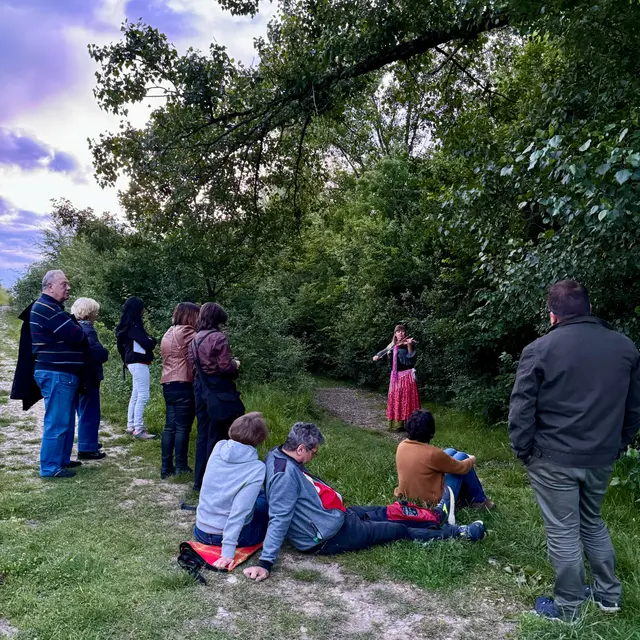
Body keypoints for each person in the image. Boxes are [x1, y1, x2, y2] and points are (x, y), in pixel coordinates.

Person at [509, 280, 640, 622]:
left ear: (552, 315)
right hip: (601, 456)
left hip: (553, 457)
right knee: (592, 522)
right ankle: (608, 596)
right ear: (589, 308)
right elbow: (634, 409)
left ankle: (568, 608)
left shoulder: (539, 349)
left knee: (563, 530)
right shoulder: (625, 347)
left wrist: (523, 451)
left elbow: (521, 409)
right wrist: (618, 445)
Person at [243, 422, 486, 583]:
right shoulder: (285, 476)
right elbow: (280, 516)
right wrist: (266, 562)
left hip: (335, 516)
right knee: (397, 530)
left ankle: (434, 518)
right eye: (312, 453)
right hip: (327, 536)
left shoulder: (277, 454)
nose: (312, 457)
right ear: (299, 448)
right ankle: (458, 533)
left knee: (386, 511)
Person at [29, 270, 87, 478]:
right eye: (64, 284)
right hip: (56, 373)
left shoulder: (52, 308)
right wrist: (76, 328)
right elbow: (77, 335)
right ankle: (50, 468)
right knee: (57, 421)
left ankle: (61, 460)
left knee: (65, 420)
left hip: (61, 373)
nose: (68, 288)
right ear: (50, 287)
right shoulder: (47, 308)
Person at [195, 412, 270, 570]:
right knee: (265, 503)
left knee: (258, 496)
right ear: (260, 439)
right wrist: (227, 552)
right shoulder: (257, 468)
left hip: (201, 529)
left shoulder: (219, 446)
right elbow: (239, 512)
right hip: (226, 536)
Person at [395, 409, 494, 522]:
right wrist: (471, 459)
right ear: (431, 432)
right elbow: (462, 468)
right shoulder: (432, 453)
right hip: (432, 501)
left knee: (450, 451)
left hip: (409, 495)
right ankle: (479, 500)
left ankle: (478, 499)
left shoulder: (402, 446)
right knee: (462, 457)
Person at [189, 302, 244, 492]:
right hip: (218, 389)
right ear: (218, 319)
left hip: (200, 389)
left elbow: (194, 368)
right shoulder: (218, 338)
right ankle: (215, 481)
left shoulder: (194, 338)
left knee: (203, 434)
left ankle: (199, 481)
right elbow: (225, 367)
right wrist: (235, 364)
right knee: (218, 435)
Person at [160, 302, 200, 478]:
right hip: (183, 382)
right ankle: (181, 466)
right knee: (183, 427)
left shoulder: (169, 332)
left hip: (168, 383)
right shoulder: (187, 332)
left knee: (170, 427)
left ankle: (166, 466)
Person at [70, 297, 108, 461]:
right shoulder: (88, 330)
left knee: (81, 410)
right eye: (95, 312)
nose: (97, 315)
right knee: (90, 412)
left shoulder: (72, 326)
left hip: (77, 375)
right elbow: (97, 353)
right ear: (89, 313)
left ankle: (88, 441)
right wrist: (105, 352)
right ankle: (87, 447)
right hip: (89, 377)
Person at [116, 296, 157, 440]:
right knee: (143, 395)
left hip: (131, 362)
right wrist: (152, 340)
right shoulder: (134, 326)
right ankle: (138, 429)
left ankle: (131, 425)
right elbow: (148, 343)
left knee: (135, 395)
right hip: (139, 362)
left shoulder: (124, 327)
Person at [373, 324, 420, 431]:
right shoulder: (393, 344)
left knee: (407, 399)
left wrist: (409, 345)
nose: (401, 333)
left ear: (405, 333)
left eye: (403, 331)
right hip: (395, 376)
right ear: (395, 334)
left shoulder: (408, 343)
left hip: (407, 375)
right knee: (397, 399)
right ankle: (399, 424)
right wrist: (378, 355)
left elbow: (411, 357)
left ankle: (410, 424)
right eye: (398, 331)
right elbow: (385, 351)